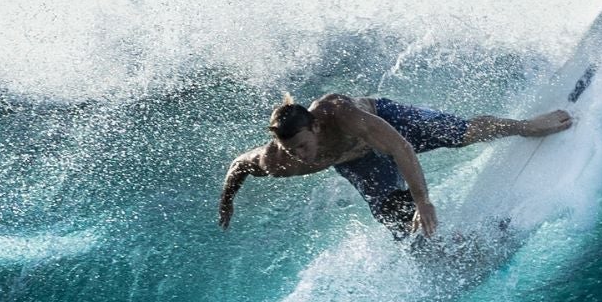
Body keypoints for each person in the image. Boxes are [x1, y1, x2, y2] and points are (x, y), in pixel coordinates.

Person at [217, 93, 572, 239]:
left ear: (316, 126)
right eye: (291, 150)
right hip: (358, 164)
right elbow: (239, 165)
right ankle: (449, 251)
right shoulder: (279, 161)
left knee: (459, 133)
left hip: (390, 126)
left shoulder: (342, 113)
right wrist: (227, 199)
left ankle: (527, 126)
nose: (300, 156)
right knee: (395, 218)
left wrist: (424, 200)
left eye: (303, 146)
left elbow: (401, 148)